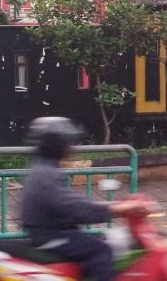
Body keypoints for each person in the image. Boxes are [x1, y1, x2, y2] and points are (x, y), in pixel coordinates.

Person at [21, 117, 149, 281]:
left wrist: (116, 205)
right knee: (101, 251)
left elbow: (72, 203)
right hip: (53, 236)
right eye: (68, 142)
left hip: (51, 232)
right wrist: (115, 208)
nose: (72, 146)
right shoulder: (46, 174)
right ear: (57, 144)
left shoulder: (44, 168)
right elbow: (75, 208)